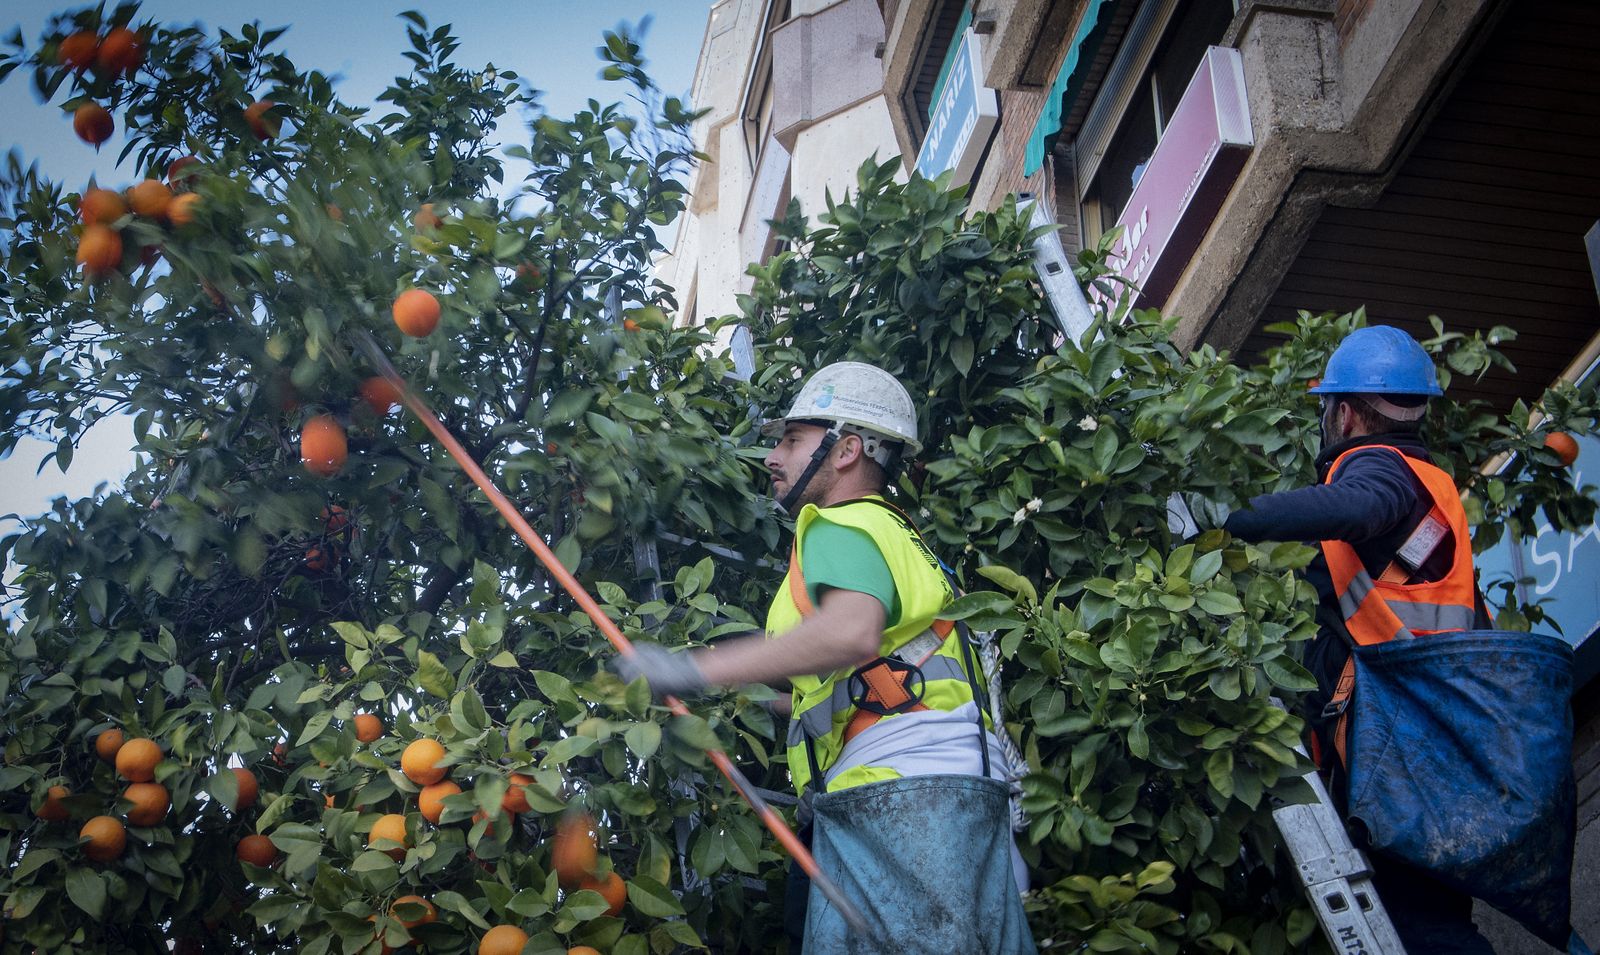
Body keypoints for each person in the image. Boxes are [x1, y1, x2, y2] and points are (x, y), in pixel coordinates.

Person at [618, 361, 1035, 954]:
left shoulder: (837, 525)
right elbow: (876, 681)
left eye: (792, 439)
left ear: (846, 451)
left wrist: (690, 668)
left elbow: (852, 634)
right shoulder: (892, 533)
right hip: (945, 801)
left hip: (900, 803)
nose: (772, 457)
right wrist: (744, 697)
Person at [1218, 325, 1498, 953]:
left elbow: (1362, 504)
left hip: (1395, 745)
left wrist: (1231, 520)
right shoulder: (1434, 488)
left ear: (1345, 412)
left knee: (1421, 929)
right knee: (1437, 917)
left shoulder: (1379, 467)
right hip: (1439, 738)